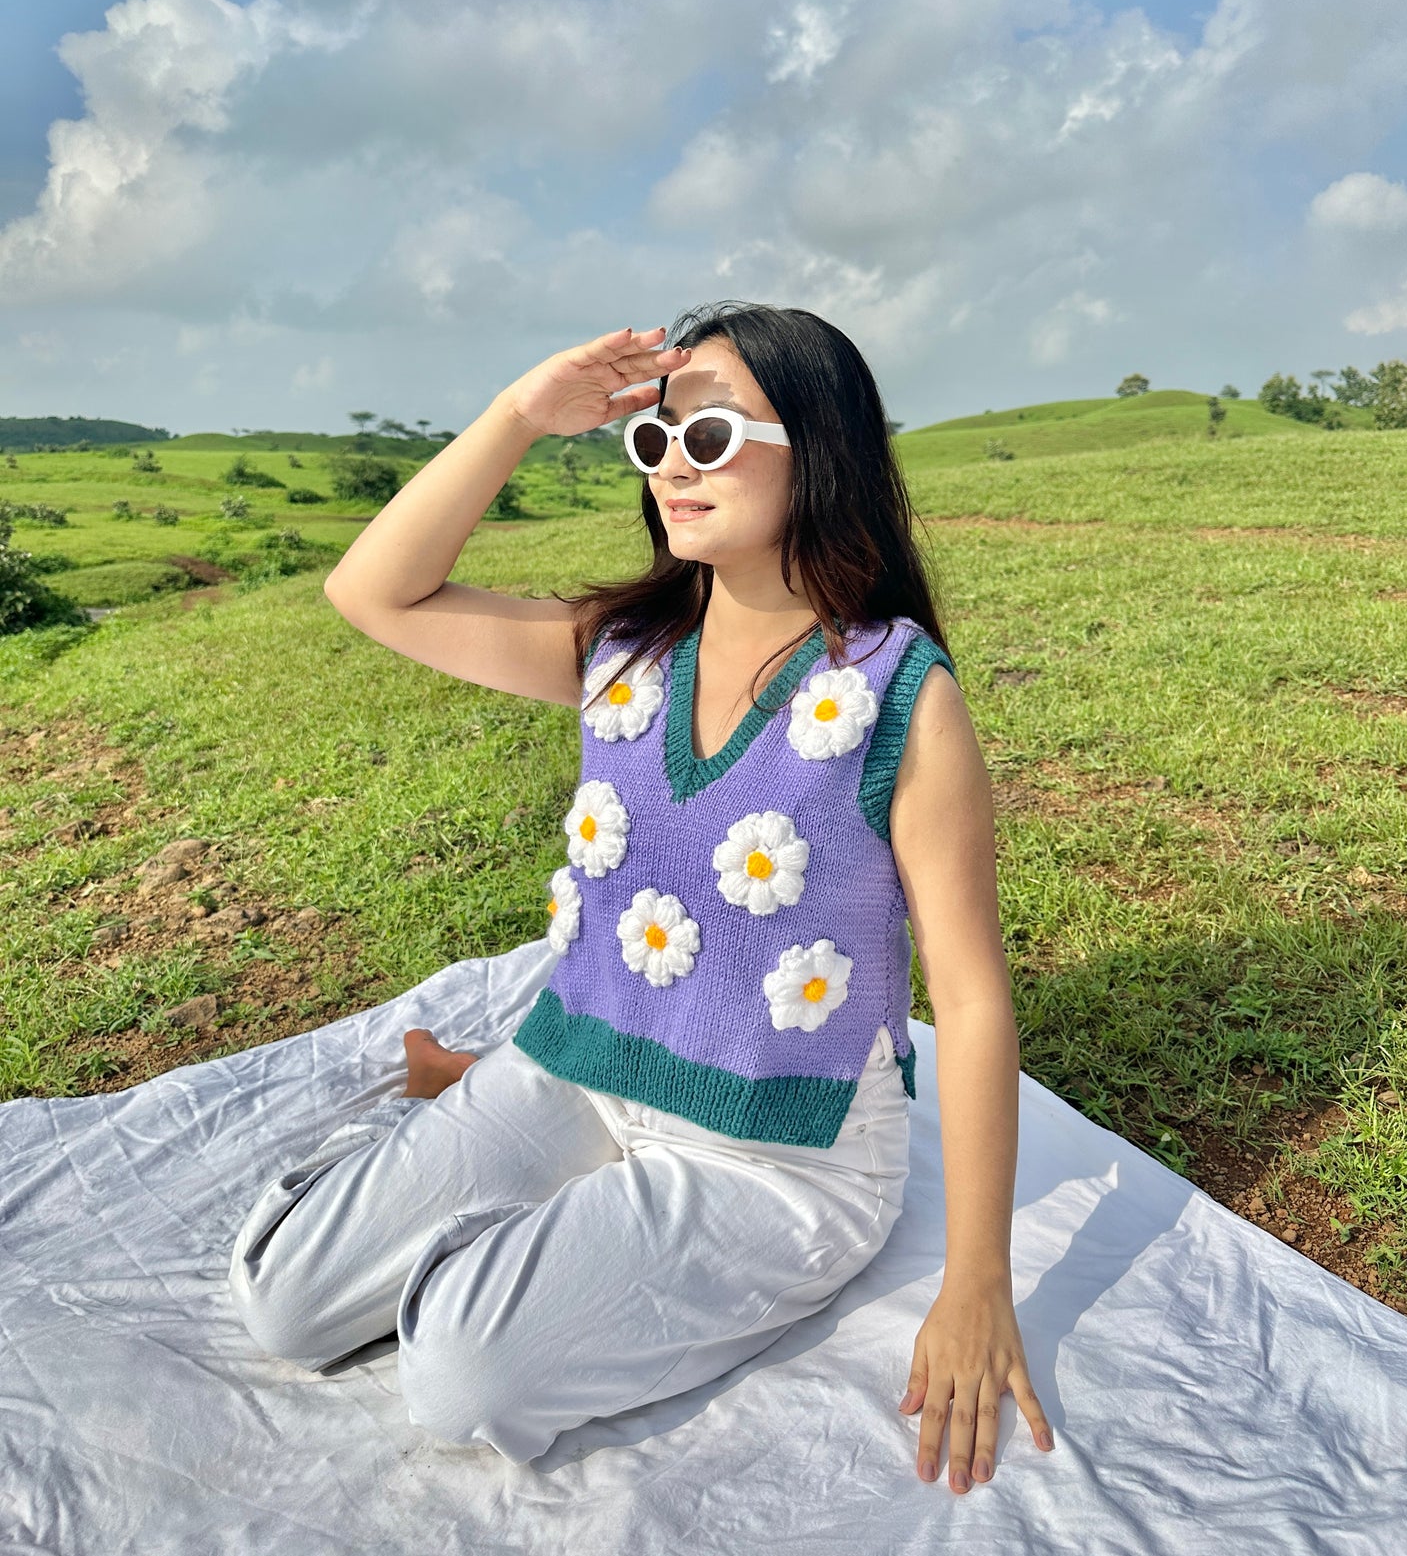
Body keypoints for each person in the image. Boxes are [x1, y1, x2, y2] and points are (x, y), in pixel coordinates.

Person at [228, 301, 1055, 1493]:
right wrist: (523, 414)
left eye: (709, 438)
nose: (673, 465)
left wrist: (975, 1281)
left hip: (775, 1156)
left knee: (461, 1377)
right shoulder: (617, 647)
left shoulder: (896, 696)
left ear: (818, 451)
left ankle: (480, 1143)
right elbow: (374, 593)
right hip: (582, 1069)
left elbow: (969, 1000)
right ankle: (475, 1115)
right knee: (285, 1303)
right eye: (655, 440)